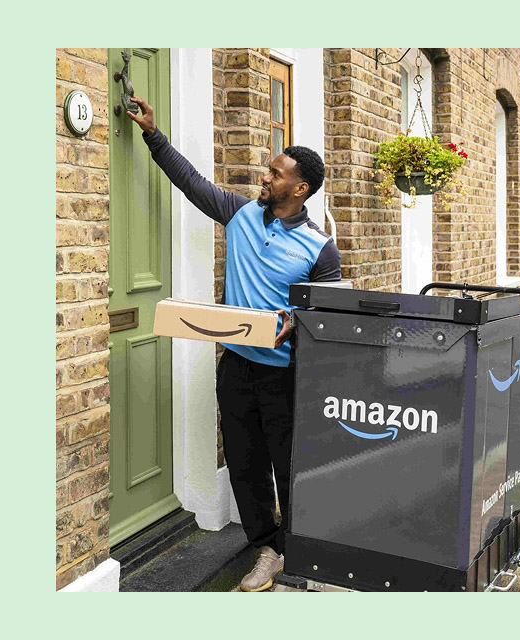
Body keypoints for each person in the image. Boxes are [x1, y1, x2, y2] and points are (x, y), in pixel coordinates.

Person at [125, 96, 341, 592]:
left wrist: (297, 317)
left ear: (300, 188)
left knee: (289, 464)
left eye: (276, 173)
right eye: (268, 170)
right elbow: (194, 184)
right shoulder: (241, 215)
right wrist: (153, 135)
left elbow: (327, 312)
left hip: (285, 374)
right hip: (237, 366)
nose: (265, 178)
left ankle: (300, 550)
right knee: (244, 463)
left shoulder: (318, 247)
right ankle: (269, 545)